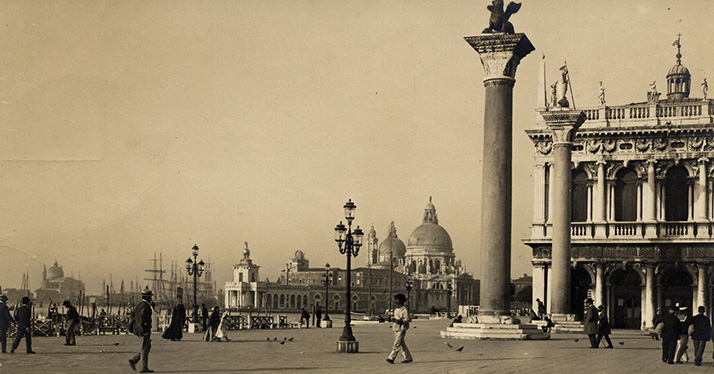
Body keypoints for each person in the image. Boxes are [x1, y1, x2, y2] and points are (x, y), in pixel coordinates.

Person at [129, 288, 154, 373]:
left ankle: (135, 360)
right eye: (150, 297)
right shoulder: (146, 306)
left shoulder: (139, 305)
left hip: (139, 329)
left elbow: (132, 314)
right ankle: (143, 367)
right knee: (145, 347)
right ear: (147, 297)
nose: (151, 298)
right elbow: (144, 318)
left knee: (147, 346)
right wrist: (145, 327)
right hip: (144, 329)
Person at [386, 293, 412, 364]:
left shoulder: (404, 310)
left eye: (397, 300)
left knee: (396, 344)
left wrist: (401, 321)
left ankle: (391, 357)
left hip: (402, 329)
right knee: (401, 344)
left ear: (400, 301)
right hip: (395, 328)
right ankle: (408, 357)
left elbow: (407, 319)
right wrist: (393, 319)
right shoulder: (396, 310)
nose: (396, 302)